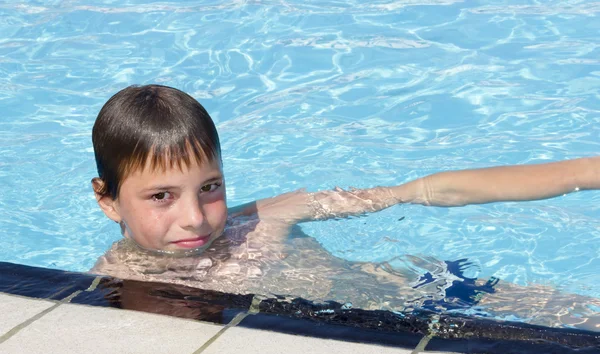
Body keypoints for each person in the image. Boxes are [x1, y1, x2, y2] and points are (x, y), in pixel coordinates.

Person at [90, 84, 600, 328]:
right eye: (162, 197)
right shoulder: (119, 284)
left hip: (428, 292)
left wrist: (583, 173)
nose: (196, 217)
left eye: (210, 187)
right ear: (108, 200)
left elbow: (418, 190)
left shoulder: (267, 217)